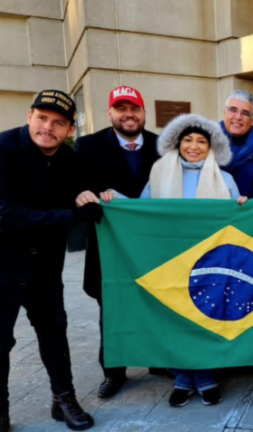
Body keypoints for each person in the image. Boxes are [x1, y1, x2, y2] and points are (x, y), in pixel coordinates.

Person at [0, 90, 98, 431]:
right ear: (29, 116)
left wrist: (91, 195)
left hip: (43, 263)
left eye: (58, 123)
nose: (47, 128)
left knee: (54, 330)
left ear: (70, 129)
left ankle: (63, 399)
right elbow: (5, 217)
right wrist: (72, 214)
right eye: (41, 118)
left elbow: (83, 191)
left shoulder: (69, 159)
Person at [90, 114, 245, 407]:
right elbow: (145, 211)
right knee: (175, 316)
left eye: (201, 141)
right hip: (170, 260)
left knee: (205, 316)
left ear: (211, 146)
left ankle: (205, 374)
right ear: (178, 142)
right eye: (188, 139)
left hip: (210, 261)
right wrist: (117, 199)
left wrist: (242, 205)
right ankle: (183, 376)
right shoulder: (159, 172)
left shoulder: (225, 179)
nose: (194, 146)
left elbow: (236, 220)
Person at [74, 85, 163, 399]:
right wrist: (81, 195)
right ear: (110, 112)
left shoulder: (163, 145)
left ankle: (158, 360)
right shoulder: (86, 146)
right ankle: (114, 371)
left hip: (154, 248)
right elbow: (74, 185)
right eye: (121, 108)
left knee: (157, 303)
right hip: (109, 247)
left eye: (134, 108)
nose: (129, 114)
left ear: (143, 112)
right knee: (112, 309)